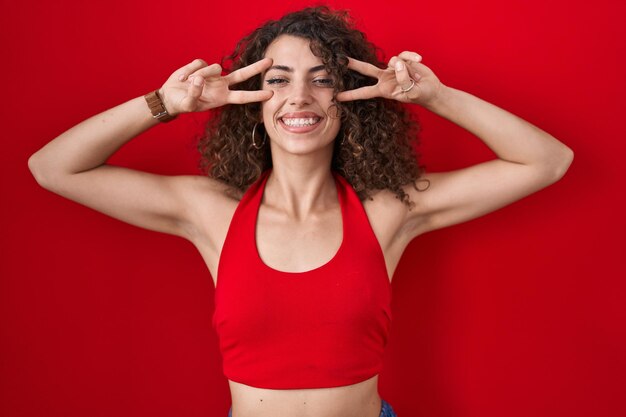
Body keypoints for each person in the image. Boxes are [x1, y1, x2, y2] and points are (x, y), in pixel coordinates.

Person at [27, 6, 573, 417]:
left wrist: (433, 97)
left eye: (322, 78)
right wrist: (166, 104)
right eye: (278, 79)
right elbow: (53, 168)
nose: (300, 96)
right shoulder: (211, 211)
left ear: (348, 97)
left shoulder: (389, 210)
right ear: (251, 98)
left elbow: (546, 161)